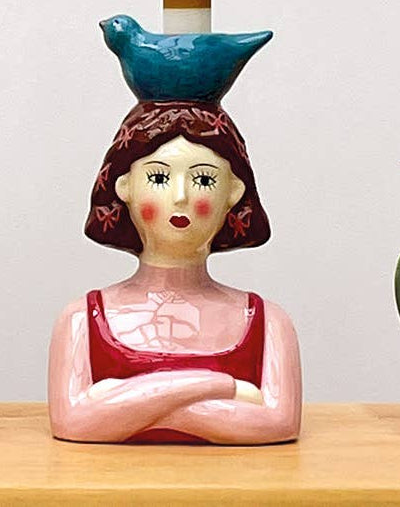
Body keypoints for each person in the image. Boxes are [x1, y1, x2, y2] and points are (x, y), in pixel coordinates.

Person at [48, 99, 301, 444]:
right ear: (125, 187)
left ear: (233, 191)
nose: (180, 196)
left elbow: (280, 423)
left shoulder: (269, 322)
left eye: (203, 179)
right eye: (159, 177)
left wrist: (118, 402)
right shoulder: (81, 319)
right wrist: (221, 386)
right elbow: (72, 423)